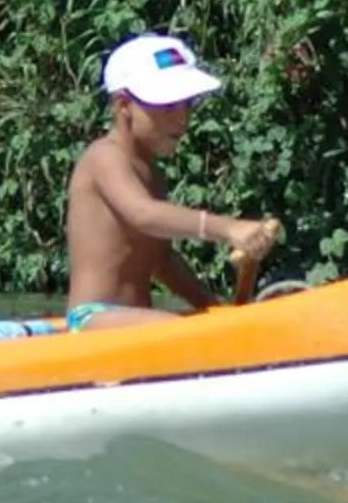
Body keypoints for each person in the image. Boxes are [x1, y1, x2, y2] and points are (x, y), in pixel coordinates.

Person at [62, 33, 282, 331]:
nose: (181, 119)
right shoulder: (104, 156)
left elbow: (162, 261)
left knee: (195, 325)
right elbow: (144, 214)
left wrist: (213, 309)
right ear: (124, 104)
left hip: (135, 320)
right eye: (166, 107)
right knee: (177, 330)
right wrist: (229, 228)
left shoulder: (153, 172)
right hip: (92, 319)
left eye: (187, 104)